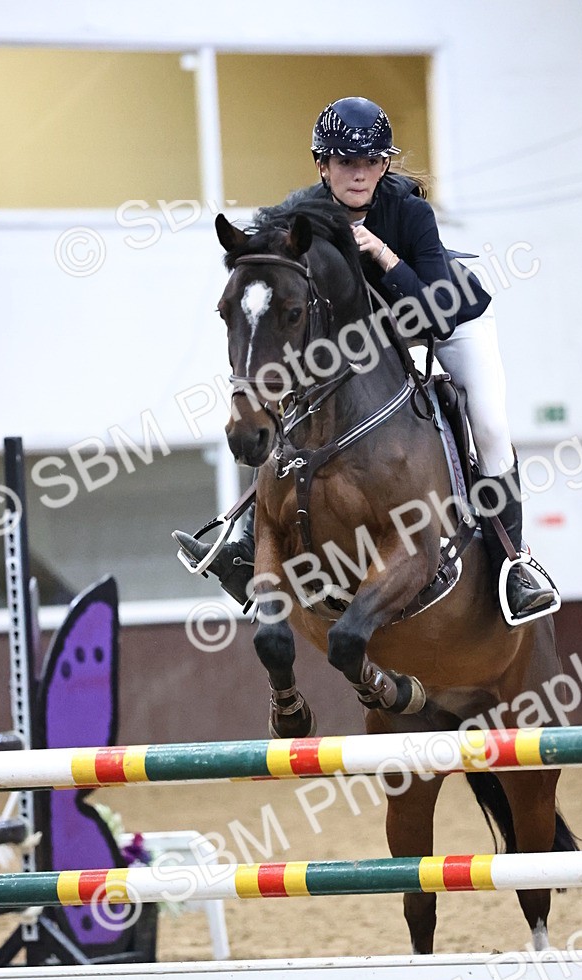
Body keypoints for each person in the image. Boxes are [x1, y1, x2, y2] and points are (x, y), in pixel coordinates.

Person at [208, 96, 556, 623]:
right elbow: (267, 258)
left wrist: (384, 254)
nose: (359, 173)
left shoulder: (410, 212)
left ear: (384, 165)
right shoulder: (303, 213)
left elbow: (438, 314)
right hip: (376, 330)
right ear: (322, 165)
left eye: (371, 162)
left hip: (448, 316)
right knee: (295, 405)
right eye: (346, 162)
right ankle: (243, 536)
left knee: (488, 424)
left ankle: (514, 564)